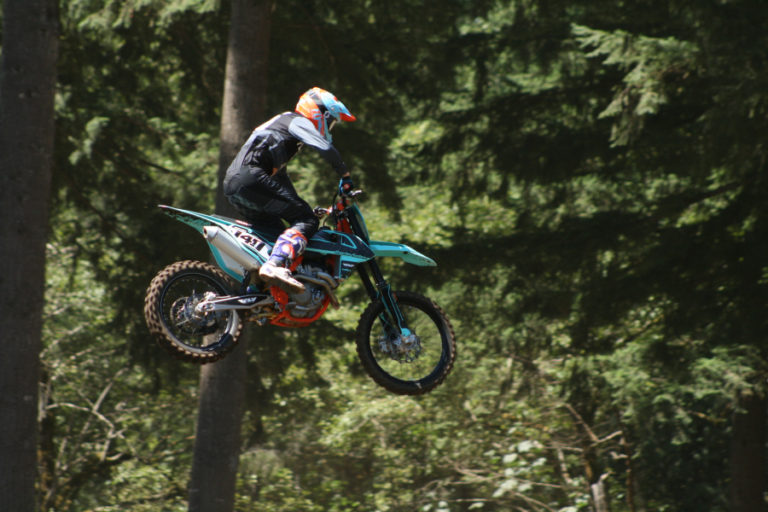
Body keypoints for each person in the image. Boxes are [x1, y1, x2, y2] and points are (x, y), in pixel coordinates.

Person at [223, 87, 356, 294]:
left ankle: (255, 295)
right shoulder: (297, 121)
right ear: (320, 114)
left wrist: (303, 208)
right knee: (307, 220)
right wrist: (345, 176)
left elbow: (279, 177)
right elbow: (325, 147)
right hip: (249, 178)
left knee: (276, 235)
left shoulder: (283, 126)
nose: (330, 128)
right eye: (331, 122)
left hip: (236, 184)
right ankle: (274, 265)